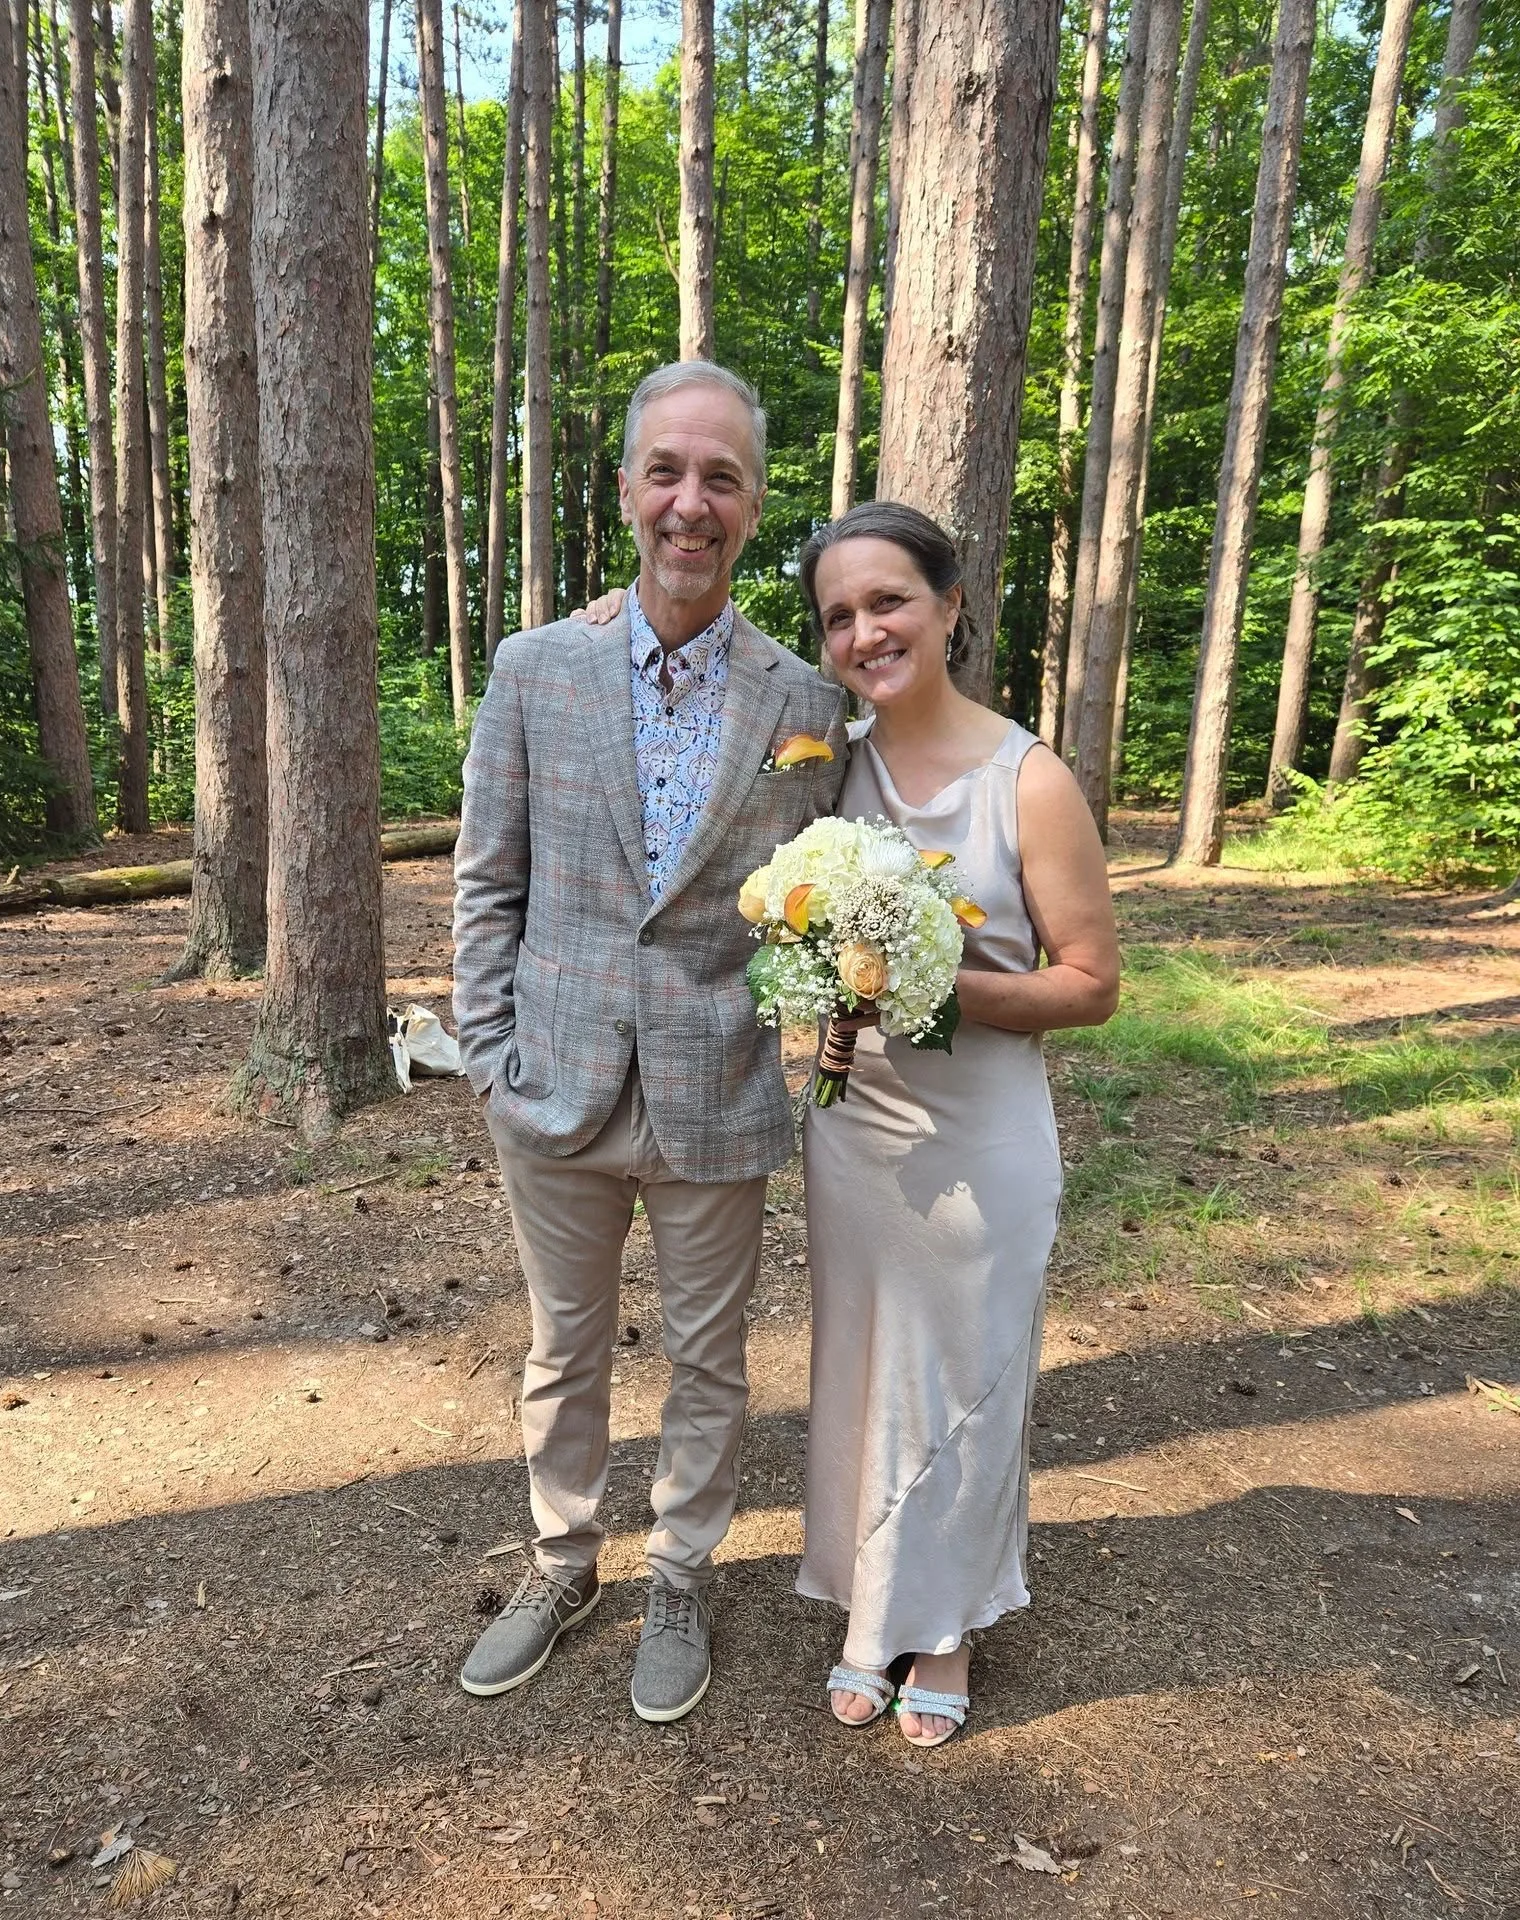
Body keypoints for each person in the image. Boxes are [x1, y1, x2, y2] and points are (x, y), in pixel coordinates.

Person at [451, 361, 846, 1724]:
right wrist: (489, 1055)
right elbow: (487, 880)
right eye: (667, 471)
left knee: (709, 1357)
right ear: (626, 489)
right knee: (564, 1350)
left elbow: (825, 894)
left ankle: (680, 1575)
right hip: (550, 1083)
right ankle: (562, 1563)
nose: (691, 502)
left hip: (717, 1088)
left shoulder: (805, 705)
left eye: (720, 477)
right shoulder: (535, 669)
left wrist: (815, 1039)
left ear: (753, 504)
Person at [796, 501, 1120, 1747]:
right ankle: (871, 1600)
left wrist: (936, 984)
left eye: (888, 601)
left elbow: (1089, 985)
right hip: (856, 1131)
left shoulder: (1027, 781)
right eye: (839, 615)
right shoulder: (826, 761)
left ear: (948, 605)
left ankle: (946, 1623)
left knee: (968, 1382)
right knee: (865, 1372)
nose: (865, 632)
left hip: (982, 1136)